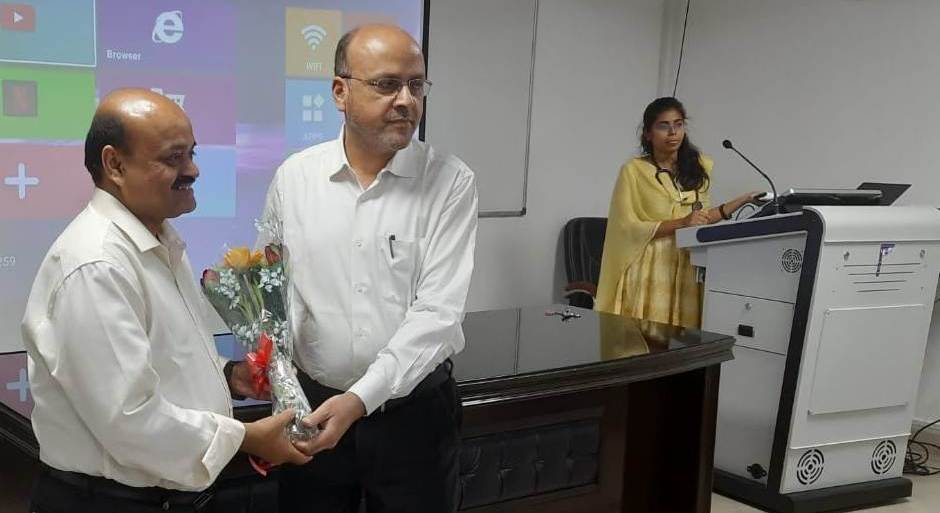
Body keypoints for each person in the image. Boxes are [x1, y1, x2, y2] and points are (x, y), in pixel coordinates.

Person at [21, 88, 313, 513]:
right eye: (174, 158)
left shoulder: (158, 243)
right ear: (114, 165)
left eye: (192, 153)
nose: (193, 170)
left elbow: (162, 364)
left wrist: (230, 376)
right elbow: (130, 420)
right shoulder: (96, 263)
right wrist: (246, 437)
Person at [249, 23, 478, 513]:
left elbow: (438, 313)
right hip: (311, 409)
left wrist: (360, 400)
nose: (406, 100)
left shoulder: (451, 182)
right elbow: (272, 293)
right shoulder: (295, 178)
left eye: (416, 85)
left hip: (412, 416)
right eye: (386, 84)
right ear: (340, 91)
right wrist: (275, 372)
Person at [595, 97, 757, 328]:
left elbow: (699, 219)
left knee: (683, 341)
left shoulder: (698, 167)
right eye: (663, 126)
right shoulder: (634, 171)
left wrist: (741, 201)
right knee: (647, 340)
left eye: (678, 124)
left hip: (688, 265)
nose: (673, 132)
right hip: (650, 268)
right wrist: (681, 222)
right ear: (648, 133)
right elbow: (626, 227)